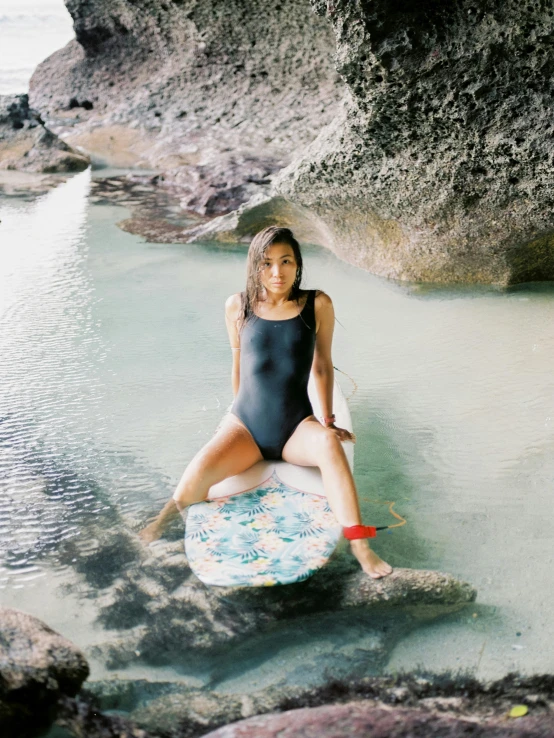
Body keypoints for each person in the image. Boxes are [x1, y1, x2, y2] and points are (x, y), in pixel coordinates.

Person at [139, 226, 392, 579]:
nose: (277, 272)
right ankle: (163, 526)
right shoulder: (237, 305)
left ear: (297, 264)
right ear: (255, 266)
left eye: (286, 261)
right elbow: (238, 365)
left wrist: (329, 422)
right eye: (267, 263)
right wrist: (231, 420)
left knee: (329, 448)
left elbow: (321, 365)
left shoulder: (317, 303)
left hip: (295, 427)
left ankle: (360, 546)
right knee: (189, 488)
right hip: (246, 426)